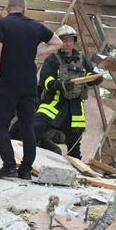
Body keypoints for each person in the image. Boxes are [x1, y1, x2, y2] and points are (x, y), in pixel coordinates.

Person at [0, 0, 56, 179]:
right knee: (27, 126)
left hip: (8, 82)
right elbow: (56, 42)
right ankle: (26, 170)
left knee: (1, 125)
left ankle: (9, 165)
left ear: (7, 9)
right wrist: (37, 52)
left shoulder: (3, 24)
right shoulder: (36, 26)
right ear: (24, 9)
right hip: (29, 84)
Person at [36, 26, 100, 160]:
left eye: (70, 40)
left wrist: (94, 79)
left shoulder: (82, 60)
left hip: (75, 109)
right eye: (64, 40)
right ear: (58, 42)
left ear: (74, 41)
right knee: (35, 128)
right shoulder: (53, 59)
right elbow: (45, 80)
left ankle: (75, 171)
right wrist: (60, 85)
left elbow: (89, 75)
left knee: (74, 148)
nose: (68, 43)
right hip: (54, 104)